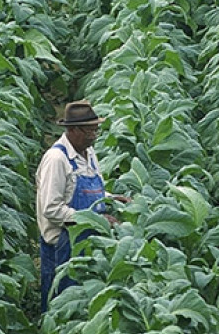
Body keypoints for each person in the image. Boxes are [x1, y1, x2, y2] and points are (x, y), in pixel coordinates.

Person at [36, 100, 129, 313]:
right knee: (62, 307)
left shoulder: (89, 152)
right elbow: (51, 209)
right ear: (73, 130)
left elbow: (90, 191)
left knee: (85, 305)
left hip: (89, 240)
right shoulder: (57, 159)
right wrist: (94, 219)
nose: (94, 135)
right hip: (64, 244)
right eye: (90, 130)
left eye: (96, 130)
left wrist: (112, 198)